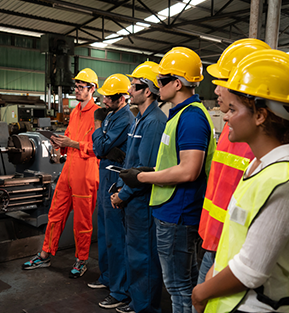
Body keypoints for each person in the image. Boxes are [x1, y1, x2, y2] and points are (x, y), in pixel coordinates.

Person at [192, 49, 289, 312]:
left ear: (260, 115)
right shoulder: (258, 165)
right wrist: (213, 271)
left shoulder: (286, 183)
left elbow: (251, 271)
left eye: (233, 109)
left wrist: (201, 293)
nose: (225, 116)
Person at [120, 47, 216, 312]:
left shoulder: (192, 117)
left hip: (178, 213)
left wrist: (142, 176)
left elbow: (189, 170)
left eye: (162, 80)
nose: (158, 84)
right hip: (172, 210)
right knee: (183, 282)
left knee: (178, 288)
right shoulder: (179, 115)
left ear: (178, 83)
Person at [197, 39, 270, 286]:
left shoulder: (263, 143)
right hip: (214, 242)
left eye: (224, 82)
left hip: (235, 255)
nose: (216, 90)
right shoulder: (233, 130)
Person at [22, 68, 100, 278]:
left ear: (92, 89)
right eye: (76, 86)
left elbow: (100, 147)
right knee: (55, 214)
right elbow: (68, 139)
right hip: (68, 171)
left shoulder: (99, 114)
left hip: (86, 172)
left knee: (82, 221)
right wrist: (58, 143)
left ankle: (82, 260)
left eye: (81, 87)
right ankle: (45, 255)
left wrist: (72, 143)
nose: (76, 90)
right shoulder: (75, 112)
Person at [111, 61, 167, 313]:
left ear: (148, 91)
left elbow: (144, 168)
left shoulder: (154, 122)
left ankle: (145, 307)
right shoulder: (139, 119)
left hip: (140, 200)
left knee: (143, 257)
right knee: (134, 255)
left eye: (134, 86)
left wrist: (123, 195)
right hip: (131, 198)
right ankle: (137, 301)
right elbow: (130, 161)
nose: (130, 90)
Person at [90, 74, 135, 309]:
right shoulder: (111, 115)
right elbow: (100, 147)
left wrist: (98, 128)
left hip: (114, 177)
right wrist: (102, 138)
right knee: (106, 234)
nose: (104, 100)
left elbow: (101, 147)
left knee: (116, 238)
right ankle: (108, 278)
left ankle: (120, 290)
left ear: (122, 97)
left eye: (108, 97)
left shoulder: (124, 118)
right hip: (104, 173)